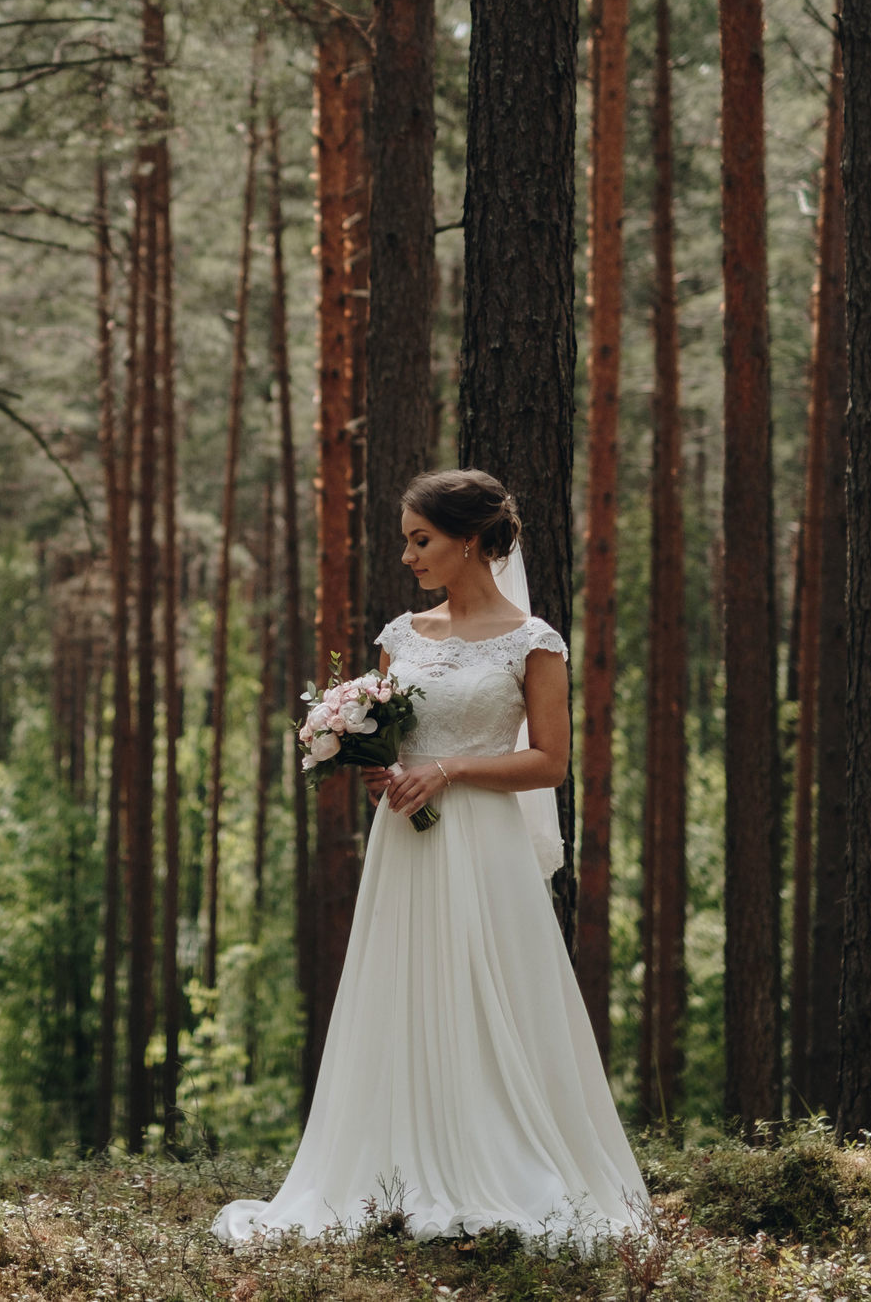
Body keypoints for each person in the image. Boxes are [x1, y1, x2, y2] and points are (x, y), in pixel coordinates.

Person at [212, 468, 647, 1248]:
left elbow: (550, 762)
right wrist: (376, 761)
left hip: (485, 842)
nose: (408, 555)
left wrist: (448, 769)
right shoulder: (400, 635)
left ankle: (497, 1159)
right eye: (406, 540)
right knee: (402, 987)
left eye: (422, 539)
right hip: (406, 842)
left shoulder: (534, 640)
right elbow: (393, 730)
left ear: (472, 541)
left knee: (492, 996)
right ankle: (390, 1162)